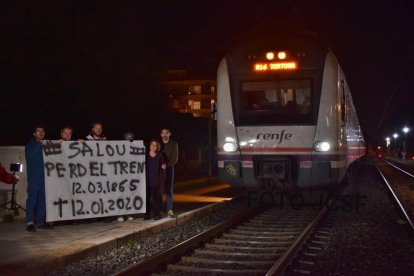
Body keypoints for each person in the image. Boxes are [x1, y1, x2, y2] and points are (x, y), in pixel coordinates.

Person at [25, 126, 53, 232]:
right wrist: (39, 144)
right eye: (38, 131)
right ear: (34, 134)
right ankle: (30, 223)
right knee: (32, 202)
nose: (41, 133)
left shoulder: (46, 145)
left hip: (45, 180)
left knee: (42, 202)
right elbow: (30, 156)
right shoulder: (29, 146)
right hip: (33, 180)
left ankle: (40, 222)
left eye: (42, 131)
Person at [144, 139, 166, 220]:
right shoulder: (145, 156)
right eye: (152, 144)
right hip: (147, 181)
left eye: (155, 145)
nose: (153, 146)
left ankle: (156, 214)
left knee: (156, 199)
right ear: (149, 146)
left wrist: (164, 166)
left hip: (156, 181)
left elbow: (163, 164)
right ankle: (147, 214)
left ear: (157, 147)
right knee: (147, 198)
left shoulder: (160, 156)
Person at [116, 132, 136, 222]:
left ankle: (129, 213)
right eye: (127, 138)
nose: (129, 140)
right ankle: (120, 214)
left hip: (130, 176)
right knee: (120, 195)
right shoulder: (119, 148)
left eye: (130, 138)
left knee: (129, 195)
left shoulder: (134, 148)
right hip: (120, 176)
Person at [160, 128, 178, 218]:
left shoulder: (174, 144)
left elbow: (175, 158)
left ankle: (170, 210)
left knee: (169, 190)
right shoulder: (158, 144)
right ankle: (158, 211)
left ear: (169, 134)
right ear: (161, 135)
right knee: (158, 189)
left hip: (169, 169)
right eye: (163, 133)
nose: (165, 135)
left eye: (166, 133)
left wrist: (167, 165)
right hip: (159, 170)